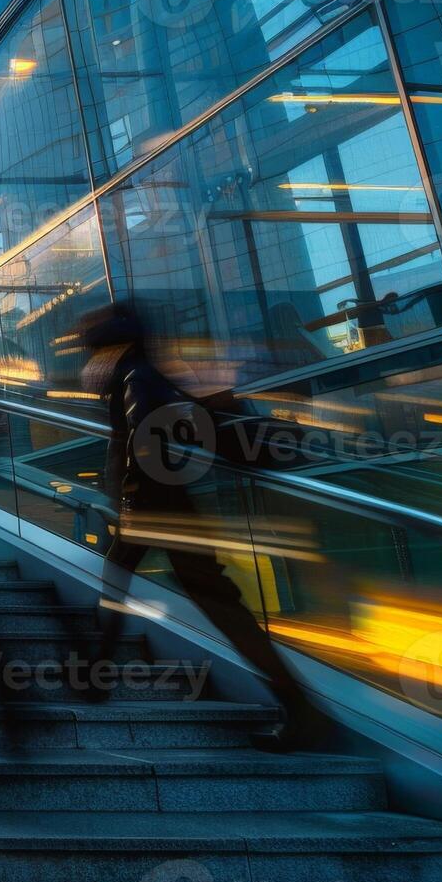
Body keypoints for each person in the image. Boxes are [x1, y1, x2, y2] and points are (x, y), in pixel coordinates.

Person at [76, 301, 303, 751]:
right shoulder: (141, 374)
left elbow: (148, 439)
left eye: (95, 350)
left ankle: (300, 707)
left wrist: (131, 497)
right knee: (124, 583)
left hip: (157, 509)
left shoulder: (136, 377)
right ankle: (94, 674)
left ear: (112, 346)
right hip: (163, 508)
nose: (90, 362)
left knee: (208, 601)